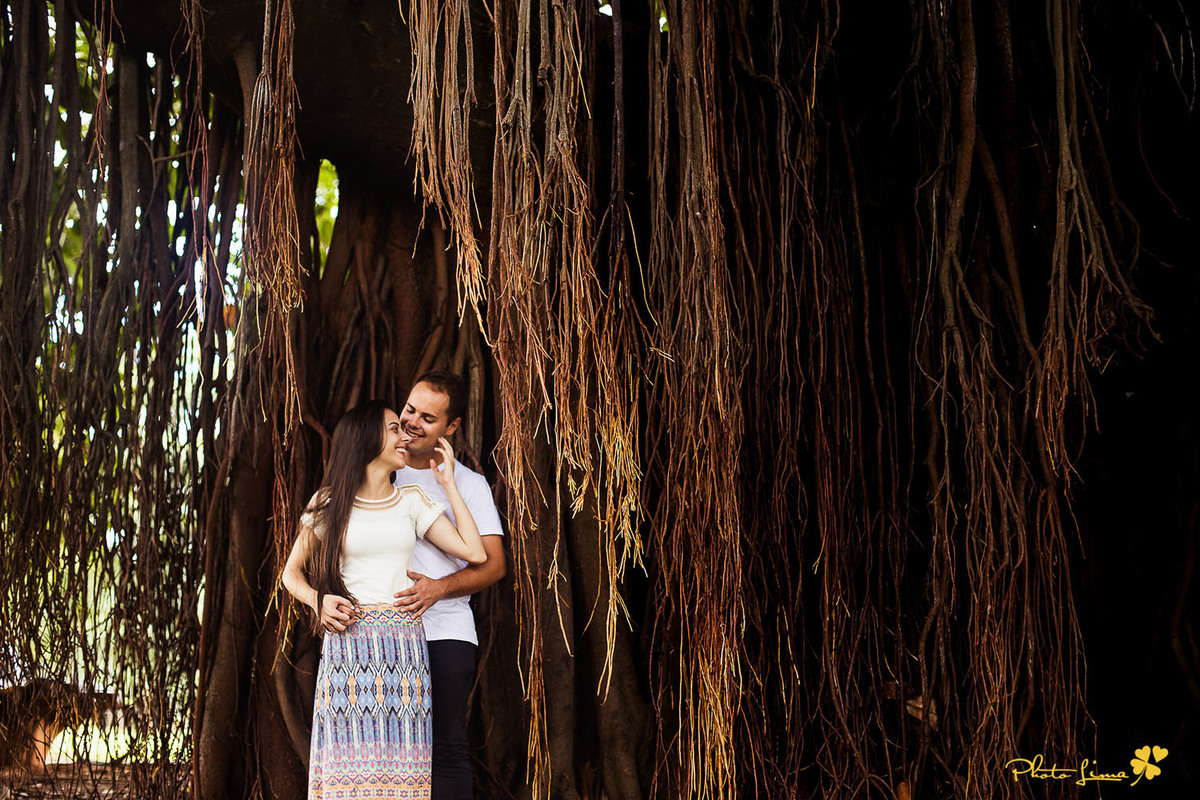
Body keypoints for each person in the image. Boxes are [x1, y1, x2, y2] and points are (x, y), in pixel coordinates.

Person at [281, 400, 488, 800]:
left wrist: (448, 485)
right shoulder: (327, 503)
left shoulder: (411, 500)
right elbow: (291, 574)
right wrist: (317, 599)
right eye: (394, 428)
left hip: (403, 651)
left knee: (403, 774)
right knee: (349, 770)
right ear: (365, 438)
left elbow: (474, 552)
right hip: (348, 646)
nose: (404, 436)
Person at [391, 372, 507, 800]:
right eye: (408, 410)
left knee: (446, 747)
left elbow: (493, 566)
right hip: (386, 632)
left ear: (452, 427)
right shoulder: (381, 472)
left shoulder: (469, 486)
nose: (412, 422)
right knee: (387, 748)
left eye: (428, 417)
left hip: (446, 632)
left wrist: (438, 588)